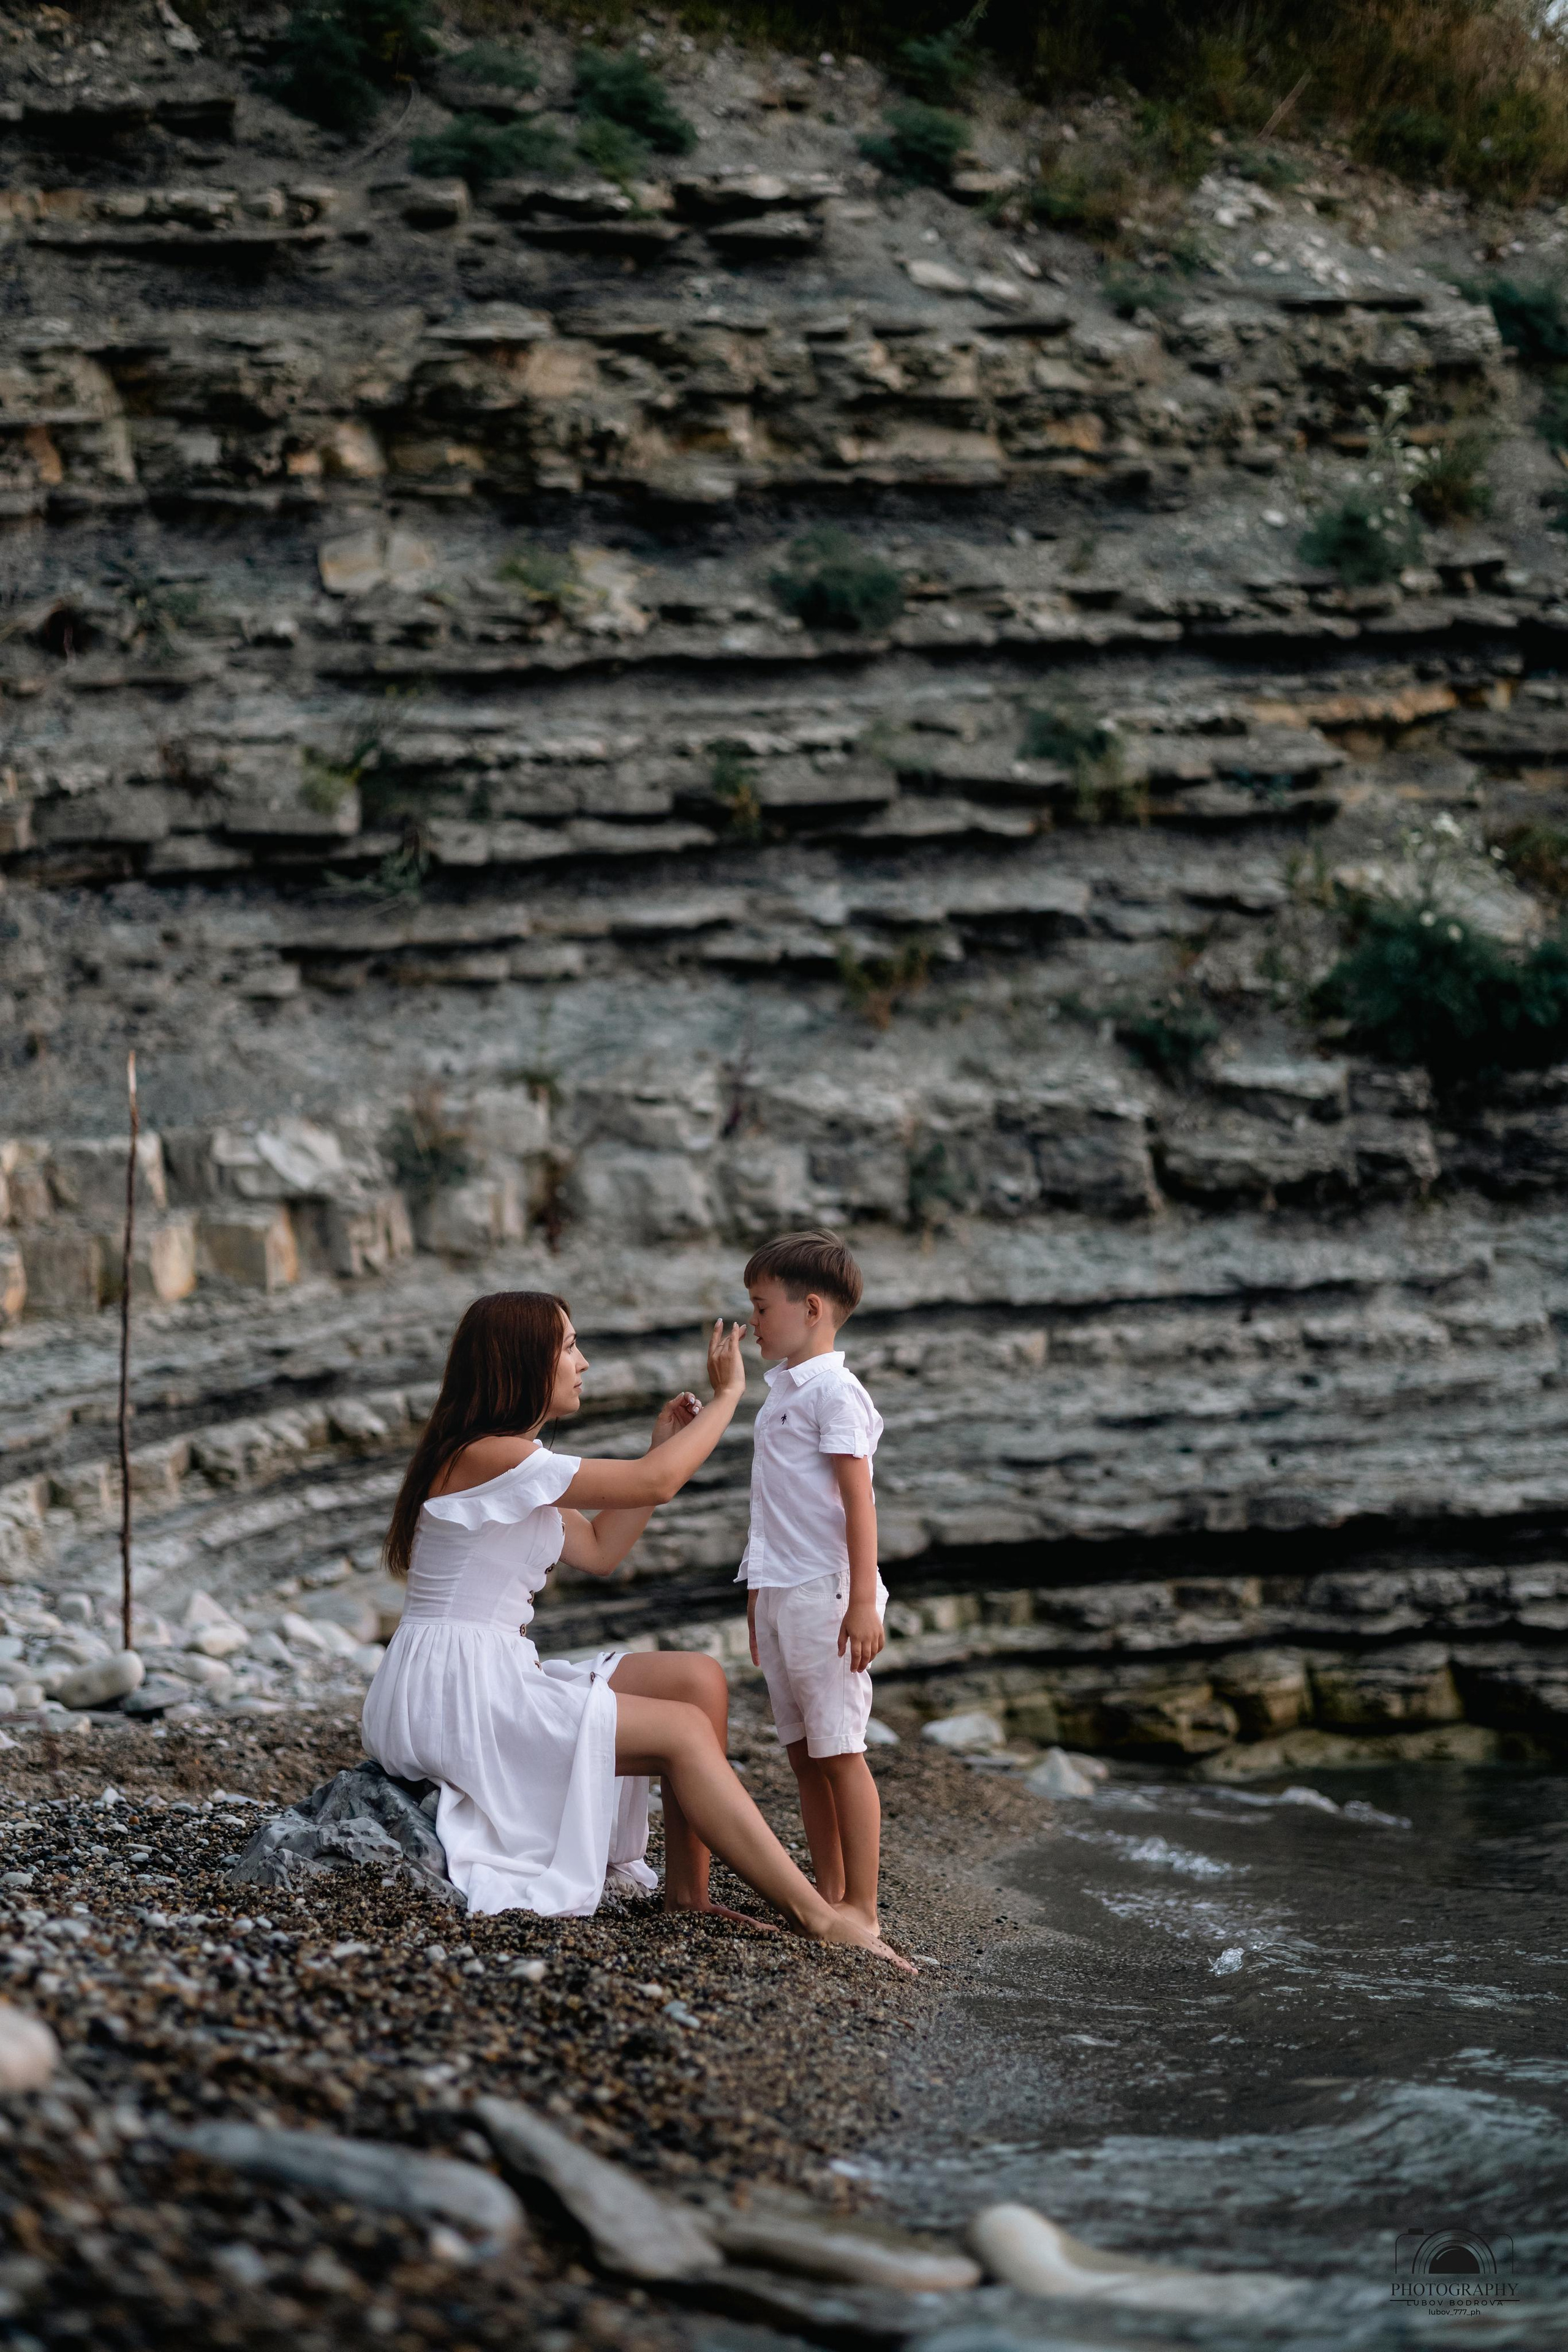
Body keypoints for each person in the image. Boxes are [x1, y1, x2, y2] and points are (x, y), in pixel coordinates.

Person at [362, 1288, 908, 1966]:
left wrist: (662, 1443)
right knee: (679, 1732)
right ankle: (818, 1918)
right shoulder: (487, 1455)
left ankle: (689, 1892)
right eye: (567, 1347)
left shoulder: (507, 1463)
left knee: (696, 1680)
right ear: (520, 1361)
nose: (582, 1362)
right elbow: (655, 1485)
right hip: (454, 1690)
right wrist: (729, 1398)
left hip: (487, 1670)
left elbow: (598, 1551)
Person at [738, 1231, 890, 1942]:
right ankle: (828, 1892)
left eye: (762, 1307)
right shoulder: (781, 1396)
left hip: (827, 1591)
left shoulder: (836, 1392)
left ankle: (861, 1906)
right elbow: (773, 1507)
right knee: (803, 1753)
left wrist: (862, 1600)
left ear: (813, 1308)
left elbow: (858, 1502)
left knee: (839, 1748)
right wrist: (755, 1597)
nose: (752, 1322)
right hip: (782, 1590)